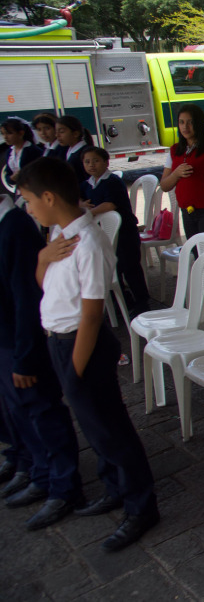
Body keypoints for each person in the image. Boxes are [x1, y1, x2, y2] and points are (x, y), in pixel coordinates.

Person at [17, 157, 159, 551]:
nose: (28, 208)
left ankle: (140, 505)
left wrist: (75, 374)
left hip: (83, 346)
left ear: (48, 197)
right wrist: (44, 259)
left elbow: (93, 314)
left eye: (29, 200)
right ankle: (115, 487)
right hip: (59, 340)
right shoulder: (59, 236)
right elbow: (45, 285)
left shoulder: (89, 241)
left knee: (110, 429)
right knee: (96, 426)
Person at [0, 189, 82, 531]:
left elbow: (26, 297)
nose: (30, 209)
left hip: (20, 338)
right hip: (7, 337)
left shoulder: (15, 227)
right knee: (14, 408)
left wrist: (25, 355)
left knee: (38, 406)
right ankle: (28, 462)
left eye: (31, 200)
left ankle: (59, 484)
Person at [79, 147, 151, 316]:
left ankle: (142, 302)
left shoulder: (112, 182)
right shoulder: (86, 183)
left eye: (96, 161)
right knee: (115, 267)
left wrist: (90, 211)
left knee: (131, 267)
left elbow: (110, 205)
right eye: (87, 162)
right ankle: (124, 302)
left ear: (106, 162)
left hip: (125, 232)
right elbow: (78, 197)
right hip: (105, 234)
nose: (91, 165)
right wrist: (81, 204)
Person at [161, 104, 204, 238]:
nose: (185, 127)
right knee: (195, 252)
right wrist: (176, 174)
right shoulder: (175, 150)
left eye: (190, 122)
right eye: (181, 122)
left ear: (199, 124)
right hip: (187, 212)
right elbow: (164, 186)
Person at [1, 118, 43, 192]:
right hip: (20, 191)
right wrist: (11, 178)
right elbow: (8, 174)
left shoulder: (33, 150)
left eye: (9, 133)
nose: (5, 137)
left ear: (21, 133)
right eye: (3, 134)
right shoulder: (9, 151)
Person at [54, 115, 92, 182]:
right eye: (56, 132)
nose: (57, 135)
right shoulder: (66, 150)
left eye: (62, 132)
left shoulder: (86, 153)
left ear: (76, 134)